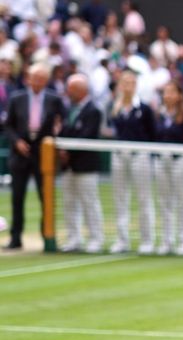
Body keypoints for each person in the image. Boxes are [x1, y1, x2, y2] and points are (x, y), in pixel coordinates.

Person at [3, 63, 63, 250]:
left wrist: (55, 134)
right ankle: (15, 238)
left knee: (45, 196)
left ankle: (47, 237)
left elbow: (62, 121)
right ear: (28, 79)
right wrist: (17, 142)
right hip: (20, 154)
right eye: (34, 78)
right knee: (17, 197)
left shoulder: (54, 100)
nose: (37, 82)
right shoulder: (16, 98)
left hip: (42, 154)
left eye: (41, 79)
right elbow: (8, 125)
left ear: (46, 81)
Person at [107, 68, 156, 254]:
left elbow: (151, 134)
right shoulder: (115, 108)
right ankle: (122, 240)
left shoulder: (144, 109)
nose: (128, 86)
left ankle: (147, 241)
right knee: (120, 199)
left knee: (144, 199)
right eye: (124, 83)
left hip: (140, 156)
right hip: (119, 156)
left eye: (131, 83)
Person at [58, 73, 103, 253]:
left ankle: (96, 239)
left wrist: (68, 151)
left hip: (85, 166)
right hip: (68, 166)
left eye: (71, 89)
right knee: (69, 203)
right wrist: (62, 149)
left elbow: (87, 136)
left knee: (89, 203)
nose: (68, 92)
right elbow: (63, 131)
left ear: (80, 90)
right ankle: (73, 238)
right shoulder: (69, 109)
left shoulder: (94, 111)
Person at [154, 80, 183, 256]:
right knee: (164, 202)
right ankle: (166, 240)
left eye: (172, 92)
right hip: (161, 162)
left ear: (180, 96)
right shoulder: (158, 114)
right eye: (166, 92)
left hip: (181, 161)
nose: (168, 96)